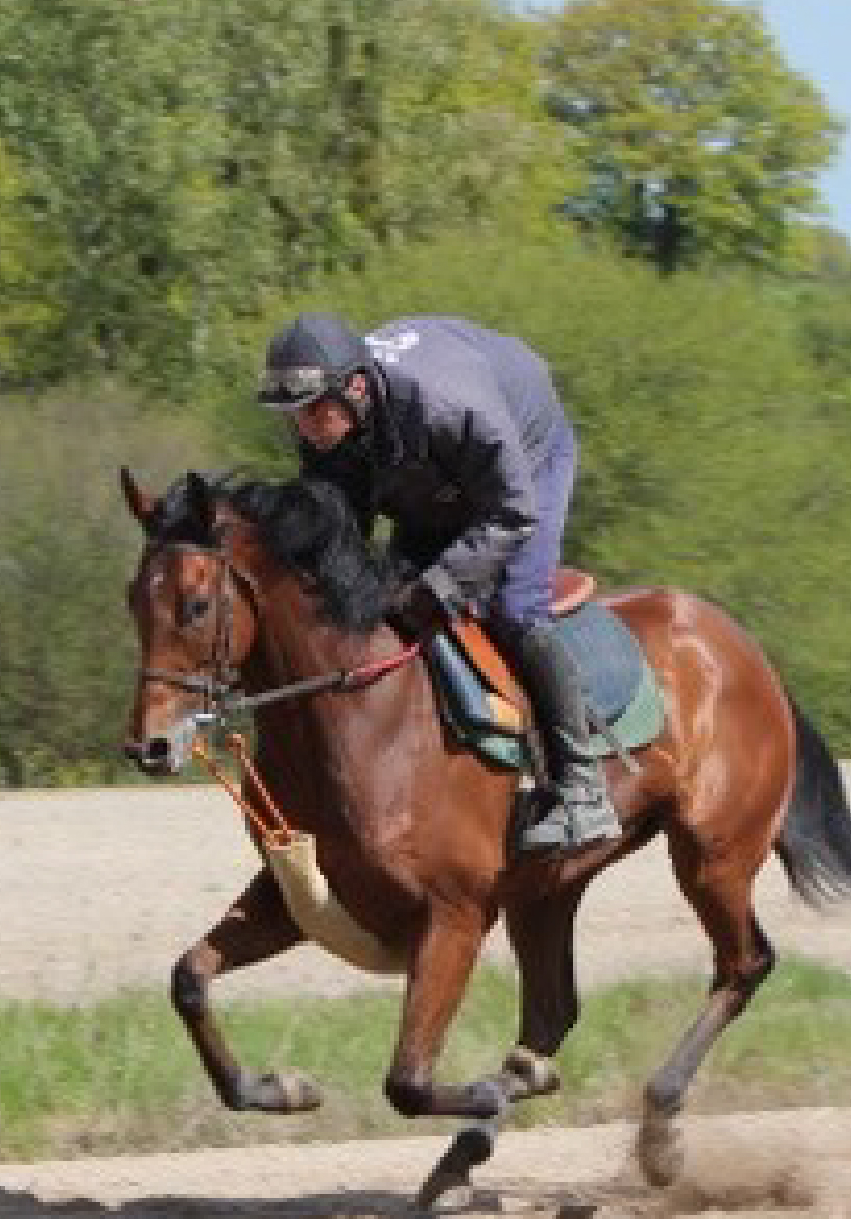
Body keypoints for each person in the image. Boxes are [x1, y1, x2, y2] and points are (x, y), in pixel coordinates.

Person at [256, 312, 621, 853]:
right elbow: (340, 533)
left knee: (514, 609)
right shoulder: (329, 422)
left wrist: (440, 585)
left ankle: (582, 786)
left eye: (311, 411)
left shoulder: (448, 406)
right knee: (385, 601)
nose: (303, 428)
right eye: (291, 414)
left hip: (526, 458)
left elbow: (512, 511)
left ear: (355, 388)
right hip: (433, 469)